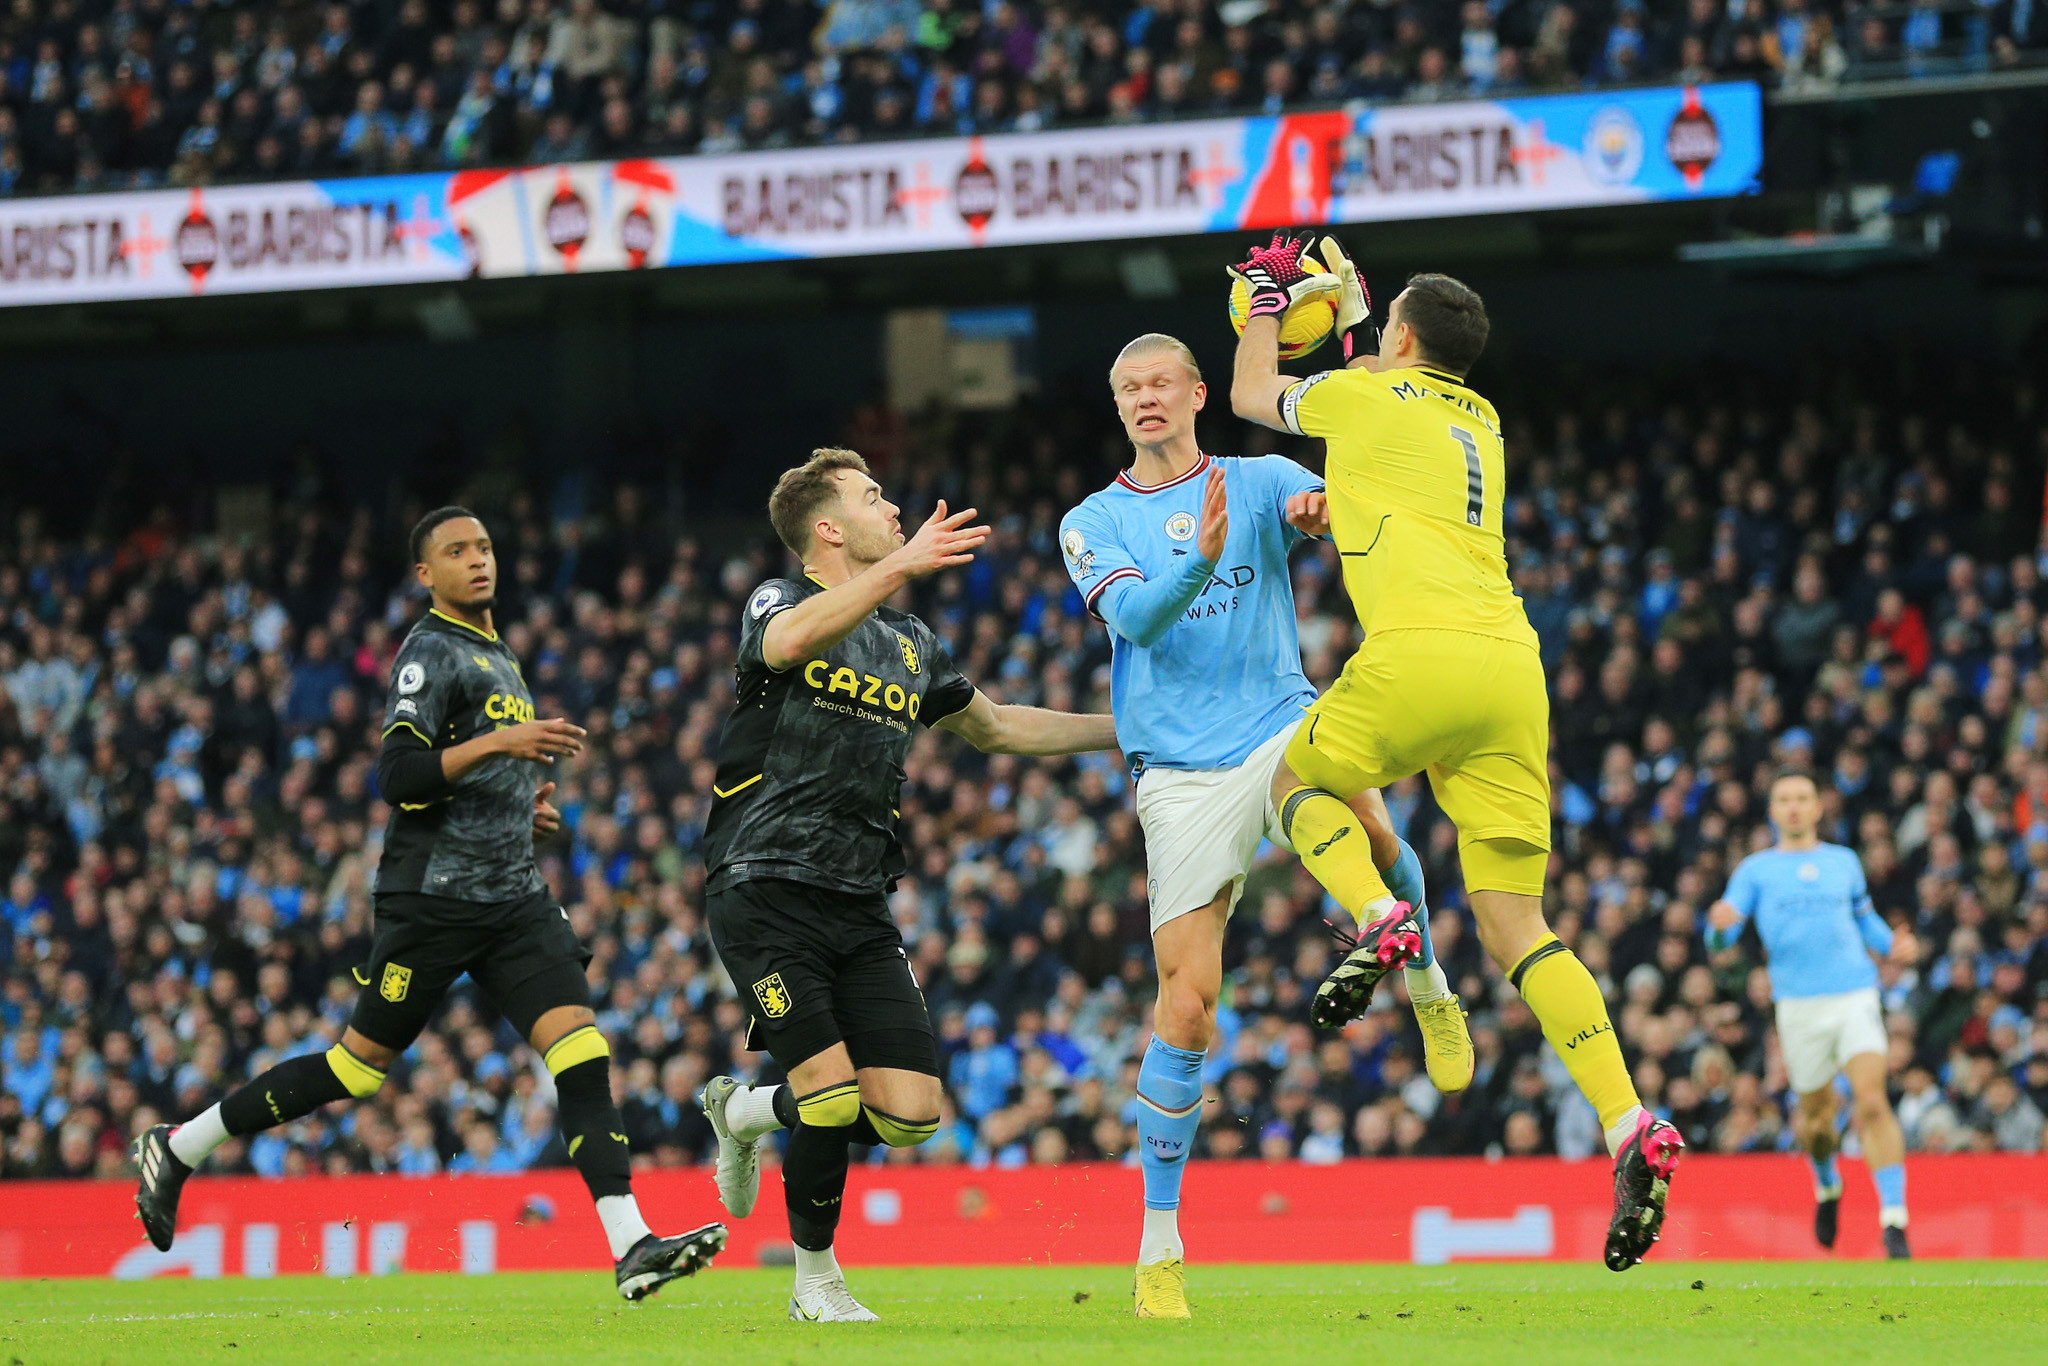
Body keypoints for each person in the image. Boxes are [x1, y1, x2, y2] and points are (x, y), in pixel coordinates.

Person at [132, 507, 727, 1301]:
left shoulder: (498, 655)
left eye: (483, 546)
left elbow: (475, 781)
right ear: (426, 574)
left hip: (513, 898)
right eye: (456, 551)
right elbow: (400, 777)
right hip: (434, 900)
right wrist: (499, 746)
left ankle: (631, 1244)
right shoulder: (429, 653)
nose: (477, 560)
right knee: (357, 1069)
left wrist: (526, 814)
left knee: (582, 1053)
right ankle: (181, 1145)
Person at [1227, 237, 1683, 1272]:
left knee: (1292, 781)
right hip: (1510, 670)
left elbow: (1253, 388)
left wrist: (1264, 299)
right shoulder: (1477, 418)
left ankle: (1378, 913)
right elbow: (1392, 484)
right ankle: (1625, 1120)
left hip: (1418, 653)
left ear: (1397, 339)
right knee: (1515, 918)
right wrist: (1329, 505)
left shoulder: (1364, 399)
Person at [1058, 332, 1472, 1319]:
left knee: (1370, 830)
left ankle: (1420, 974)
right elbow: (1139, 624)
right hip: (1178, 773)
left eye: (1160, 382)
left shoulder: (1257, 477)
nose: (1145, 397)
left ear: (1199, 392)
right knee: (1187, 1005)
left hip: (1279, 720)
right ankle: (1159, 1248)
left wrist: (1316, 514)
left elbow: (1320, 512)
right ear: (1116, 406)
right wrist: (1199, 560)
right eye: (1127, 388)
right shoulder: (1091, 520)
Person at [695, 449, 1119, 1323]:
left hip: (857, 898)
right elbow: (788, 644)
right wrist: (900, 564)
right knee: (831, 1092)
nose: (892, 509)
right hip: (762, 883)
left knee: (911, 1115)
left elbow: (998, 730)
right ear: (826, 527)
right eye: (872, 497)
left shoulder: (911, 643)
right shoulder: (778, 600)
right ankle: (816, 1285)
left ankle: (744, 1112)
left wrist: (1129, 731)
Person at [1707, 768, 1919, 1258]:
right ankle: (1827, 1186)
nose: (1795, 806)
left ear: (1819, 807)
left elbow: (1866, 921)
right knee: (1817, 1123)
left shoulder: (1844, 862)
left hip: (1854, 996)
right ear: (1773, 810)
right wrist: (1717, 928)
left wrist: (1895, 946)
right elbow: (1723, 935)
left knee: (1871, 1101)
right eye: (1785, 799)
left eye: (1803, 797)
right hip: (1798, 1008)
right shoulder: (1755, 870)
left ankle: (1894, 1220)